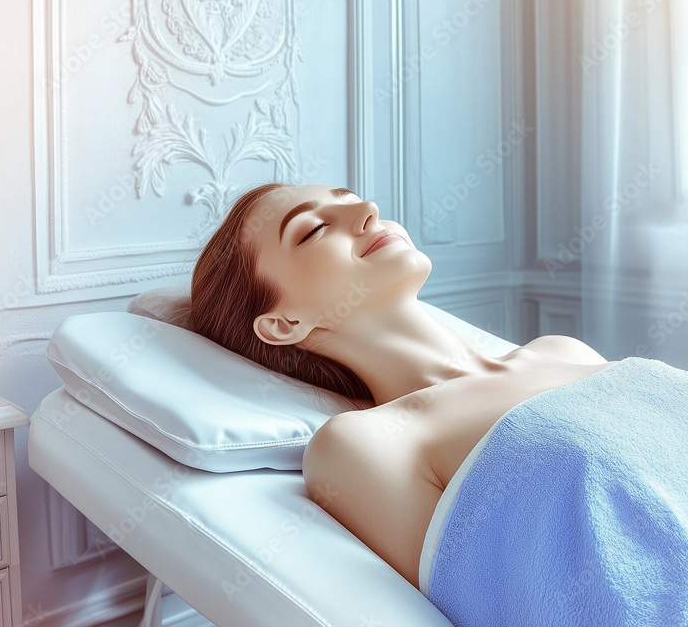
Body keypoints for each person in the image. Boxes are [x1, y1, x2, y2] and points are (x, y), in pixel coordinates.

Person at [187, 182, 620, 589]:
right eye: (314, 229)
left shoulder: (564, 351)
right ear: (284, 324)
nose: (367, 210)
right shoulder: (367, 445)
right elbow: (492, 599)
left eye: (352, 197)